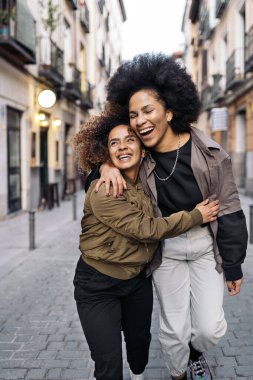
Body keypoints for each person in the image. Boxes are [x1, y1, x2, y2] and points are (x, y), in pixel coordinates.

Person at [89, 53, 248, 380]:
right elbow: (104, 167)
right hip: (165, 251)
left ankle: (195, 353)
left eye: (148, 110)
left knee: (209, 328)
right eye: (133, 115)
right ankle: (179, 374)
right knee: (173, 332)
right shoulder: (139, 156)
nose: (139, 121)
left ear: (170, 111)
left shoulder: (212, 156)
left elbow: (230, 208)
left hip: (205, 247)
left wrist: (233, 264)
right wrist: (104, 166)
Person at [72, 110, 220, 380]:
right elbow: (146, 229)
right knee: (108, 363)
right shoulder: (104, 188)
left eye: (129, 140)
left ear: (142, 149)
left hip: (137, 280)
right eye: (114, 143)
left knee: (139, 344)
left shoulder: (149, 177)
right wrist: (197, 216)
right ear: (106, 152)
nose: (122, 146)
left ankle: (138, 375)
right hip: (97, 284)